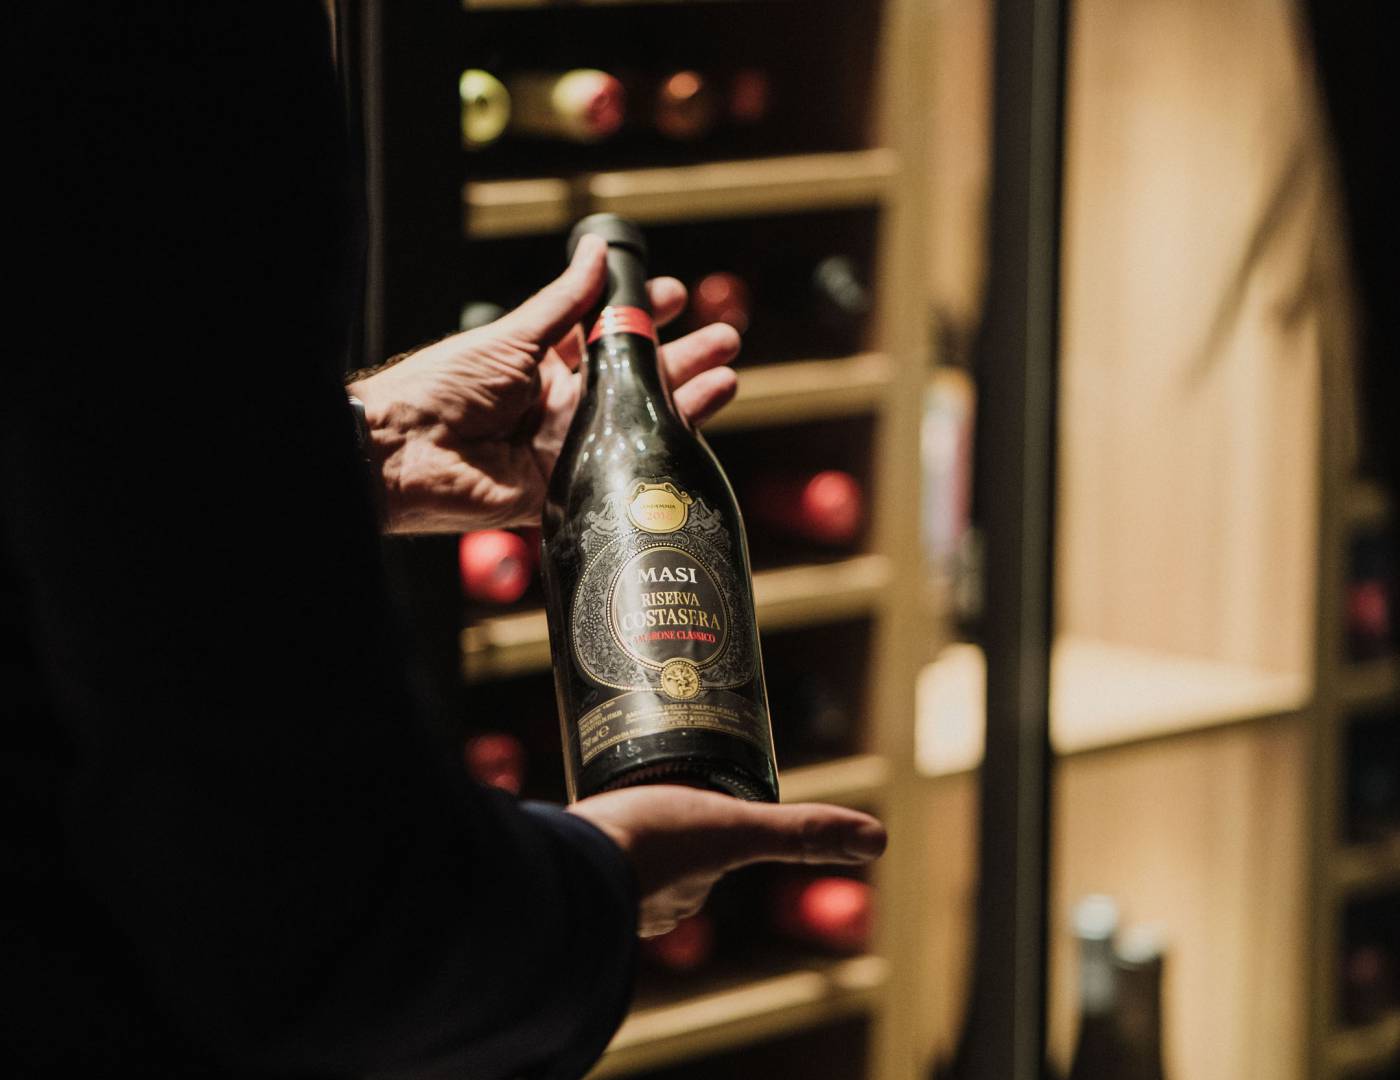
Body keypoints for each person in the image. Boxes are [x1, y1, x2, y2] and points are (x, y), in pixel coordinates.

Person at [3, 3, 885, 1077]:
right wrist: (599, 879)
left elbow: (93, 450)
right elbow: (316, 924)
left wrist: (361, 444)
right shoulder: (158, 50)